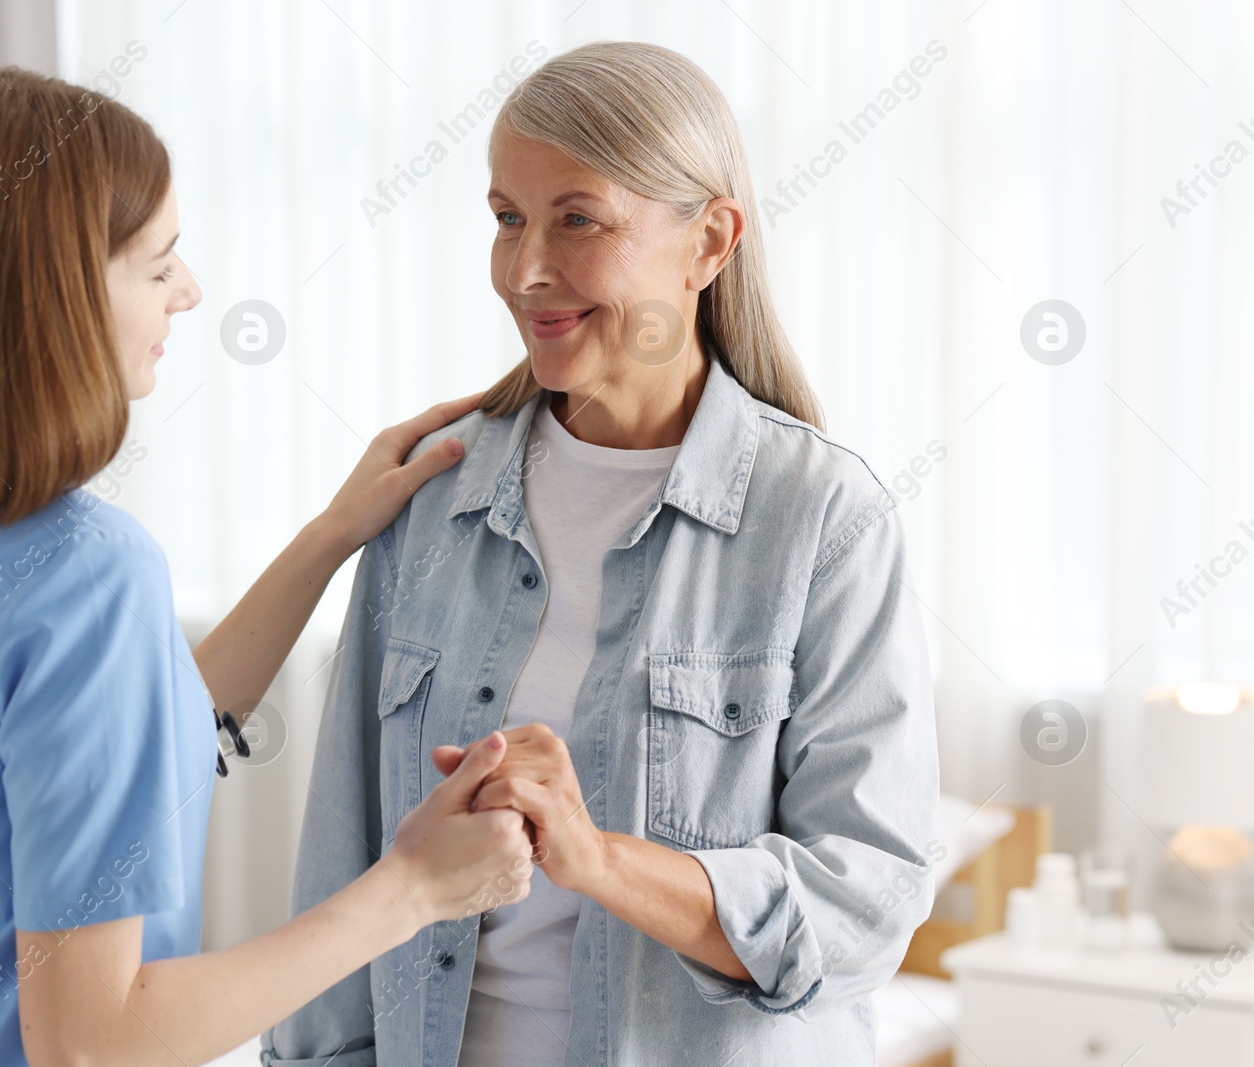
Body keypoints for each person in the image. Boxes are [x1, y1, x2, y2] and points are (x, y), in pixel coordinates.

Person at [0, 66, 533, 1067]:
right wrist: (409, 889)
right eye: (158, 265)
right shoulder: (87, 574)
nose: (189, 292)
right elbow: (90, 1039)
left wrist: (328, 535)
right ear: (51, 298)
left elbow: (125, 737)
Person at [267, 41, 940, 1067]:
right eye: (506, 218)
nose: (526, 268)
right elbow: (340, 860)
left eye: (576, 218)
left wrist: (601, 860)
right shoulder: (432, 496)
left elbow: (864, 903)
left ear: (708, 240)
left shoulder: (821, 519)